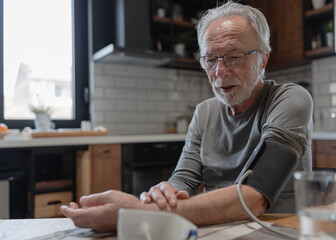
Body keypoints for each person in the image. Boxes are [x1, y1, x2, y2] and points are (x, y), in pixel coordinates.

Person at [61, 1, 313, 232]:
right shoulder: (204, 112)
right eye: (210, 60)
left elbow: (256, 196)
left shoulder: (290, 99)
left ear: (263, 58)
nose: (220, 72)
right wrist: (165, 194)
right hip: (218, 229)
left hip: (280, 230)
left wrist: (140, 212)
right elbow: (183, 179)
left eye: (234, 57)